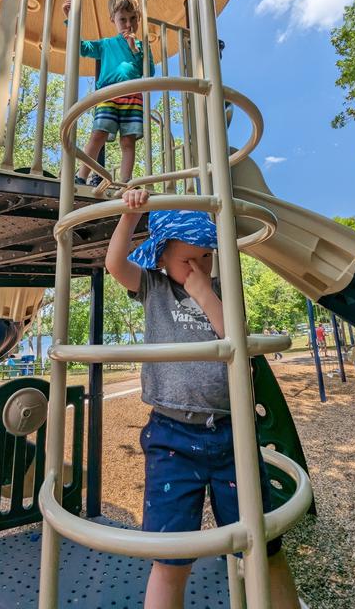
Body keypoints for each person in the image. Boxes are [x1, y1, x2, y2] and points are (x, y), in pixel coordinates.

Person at [105, 189, 301, 609]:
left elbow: (237, 338)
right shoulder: (154, 287)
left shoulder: (221, 289)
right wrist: (129, 215)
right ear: (161, 258)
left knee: (263, 546)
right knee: (170, 556)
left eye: (206, 257)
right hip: (171, 435)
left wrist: (205, 293)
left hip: (232, 431)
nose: (198, 267)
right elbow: (115, 265)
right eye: (187, 260)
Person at [62, 0, 155, 186]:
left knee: (128, 141)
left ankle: (126, 182)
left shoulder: (141, 46)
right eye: (123, 19)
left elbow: (149, 71)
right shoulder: (106, 44)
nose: (128, 24)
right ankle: (81, 177)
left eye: (133, 18)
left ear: (138, 18)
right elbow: (82, 48)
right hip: (108, 95)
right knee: (99, 134)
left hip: (132, 96)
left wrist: (135, 50)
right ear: (113, 19)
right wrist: (71, 20)